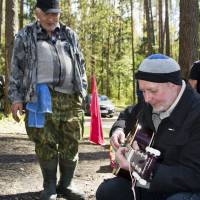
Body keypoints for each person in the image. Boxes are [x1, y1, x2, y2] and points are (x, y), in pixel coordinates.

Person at [8, 0, 87, 199]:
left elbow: (81, 64)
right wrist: (16, 98)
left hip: (71, 97)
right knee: (45, 141)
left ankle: (67, 184)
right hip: (39, 96)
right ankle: (50, 186)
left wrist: (83, 90)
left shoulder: (69, 34)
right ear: (38, 13)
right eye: (48, 14)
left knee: (72, 140)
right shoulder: (25, 35)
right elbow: (16, 69)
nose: (52, 18)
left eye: (56, 13)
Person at [96, 54, 200, 200]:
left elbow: (193, 176)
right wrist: (119, 129)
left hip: (184, 190)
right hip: (150, 184)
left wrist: (138, 164)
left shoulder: (196, 112)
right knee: (108, 191)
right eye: (143, 91)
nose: (147, 98)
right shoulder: (150, 102)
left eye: (152, 91)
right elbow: (128, 114)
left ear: (173, 85)